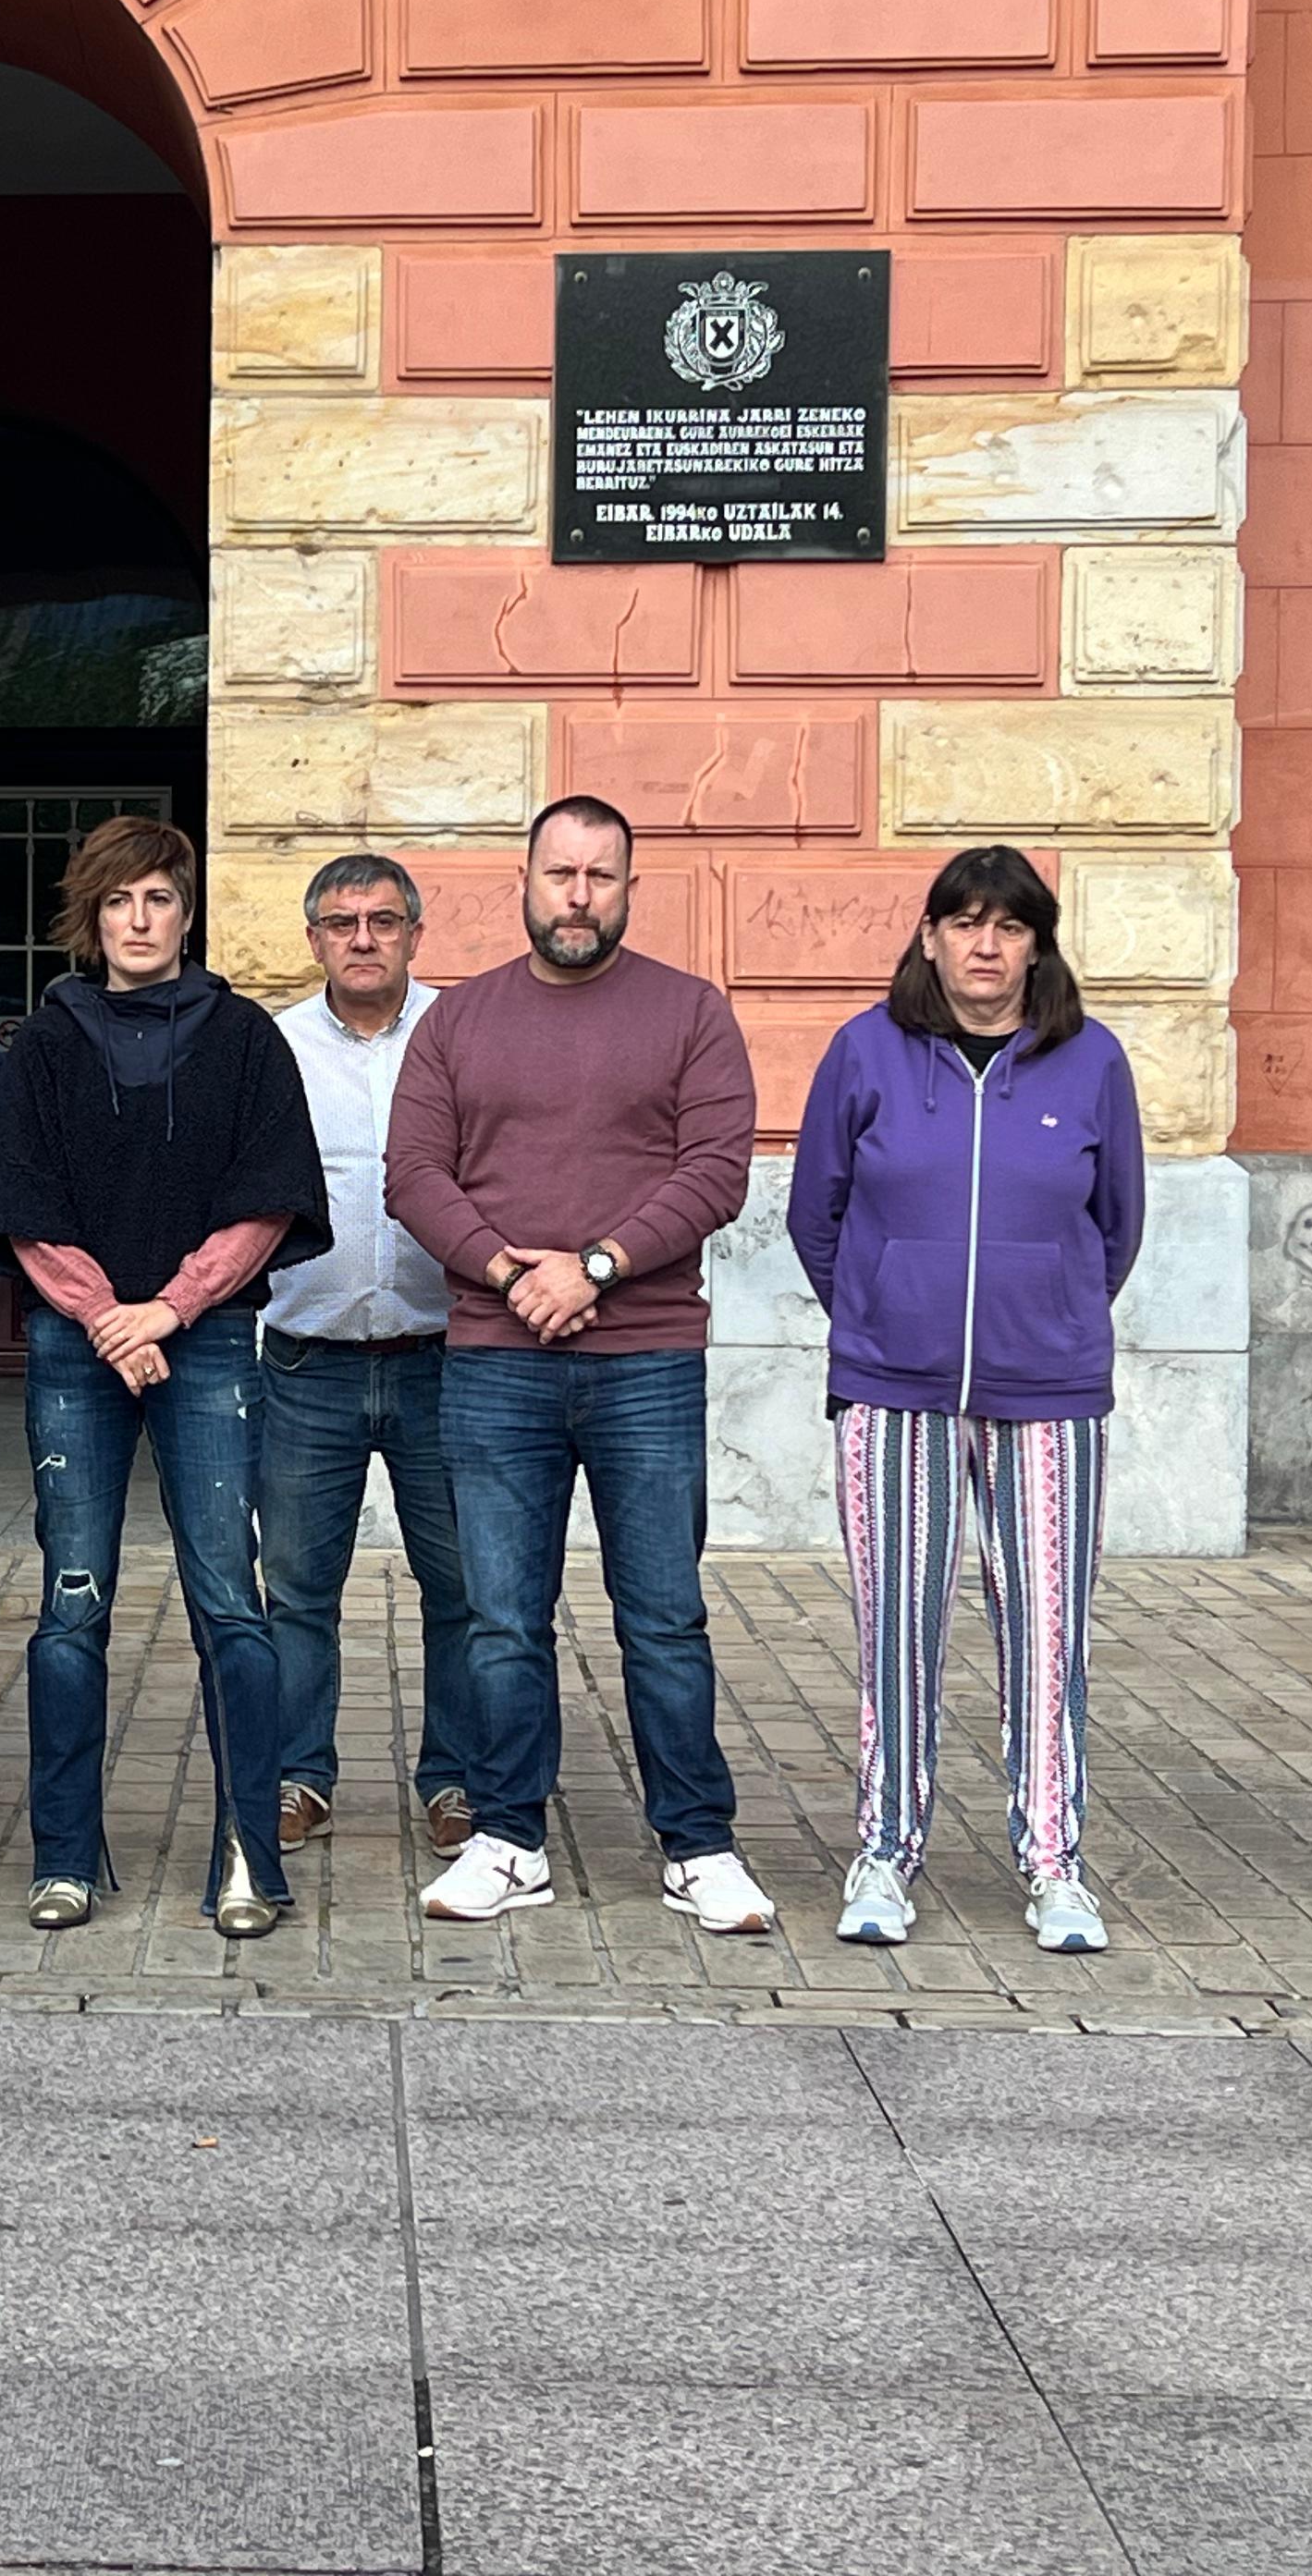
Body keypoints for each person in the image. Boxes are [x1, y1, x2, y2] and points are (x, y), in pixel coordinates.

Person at [385, 796, 770, 1931]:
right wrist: (515, 1275)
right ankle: (509, 1838)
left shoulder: (691, 1013)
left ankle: (698, 1844)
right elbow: (414, 1175)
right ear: (526, 879)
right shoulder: (457, 1023)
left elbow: (716, 1172)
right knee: (503, 1617)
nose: (579, 894)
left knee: (662, 1614)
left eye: (602, 875)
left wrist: (595, 1266)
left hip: (646, 1359)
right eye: (562, 873)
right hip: (496, 1361)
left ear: (629, 887)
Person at [0, 815, 327, 1939]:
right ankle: (66, 1856)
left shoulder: (244, 1039)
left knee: (230, 1599)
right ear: (93, 913)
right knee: (73, 1603)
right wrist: (108, 1319)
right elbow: (22, 1207)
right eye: (118, 900)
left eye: (159, 898)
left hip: (206, 1338)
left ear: (185, 910)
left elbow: (268, 1200)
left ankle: (247, 1859)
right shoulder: (46, 1043)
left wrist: (167, 1308)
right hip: (80, 1348)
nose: (138, 918)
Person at [788, 847, 1145, 1957]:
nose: (985, 946)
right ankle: (887, 1851)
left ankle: (1054, 1864)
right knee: (900, 1627)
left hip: (1049, 1395)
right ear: (930, 935)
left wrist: (1051, 1311)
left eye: (1008, 925)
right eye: (963, 922)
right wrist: (884, 1315)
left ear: (1038, 942)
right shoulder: (866, 1053)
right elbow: (817, 1213)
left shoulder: (1090, 1062)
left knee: (1048, 1629)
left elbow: (1117, 1223)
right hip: (896, 1390)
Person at [258, 853, 478, 1862]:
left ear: (414, 934)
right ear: (313, 940)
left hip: (447, 1356)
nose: (361, 938)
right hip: (308, 1361)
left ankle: (458, 1782)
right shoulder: (272, 1047)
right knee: (299, 1590)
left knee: (463, 1588)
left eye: (382, 921)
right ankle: (300, 1775)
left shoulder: (463, 1034)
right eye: (341, 923)